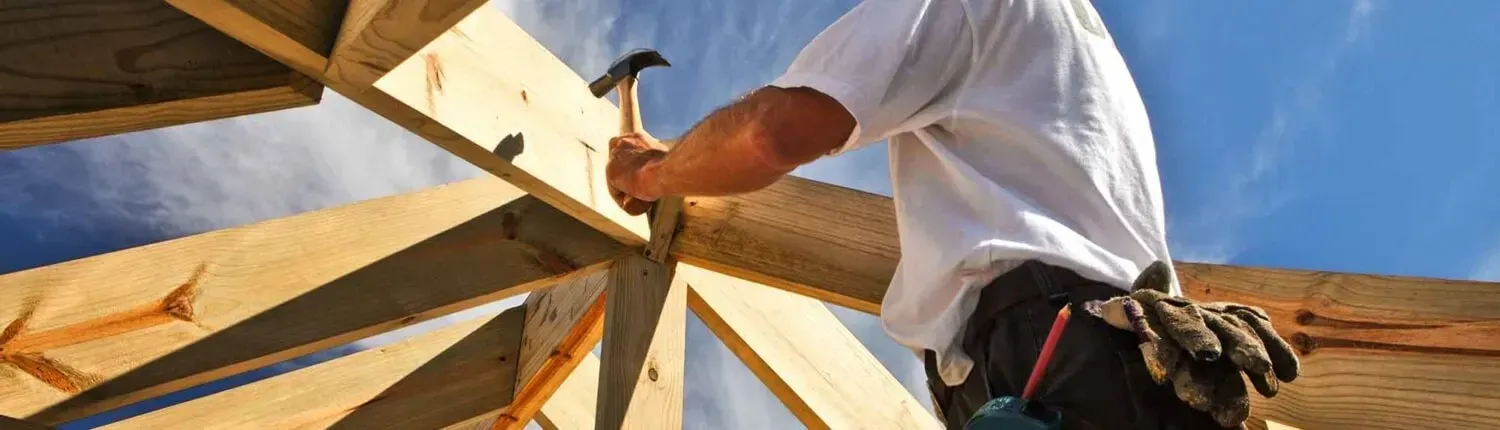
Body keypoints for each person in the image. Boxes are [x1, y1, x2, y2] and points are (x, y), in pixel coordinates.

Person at [604, 0, 1296, 428]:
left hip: (1049, 368)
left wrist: (654, 169)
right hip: (1125, 376)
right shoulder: (1078, 49)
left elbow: (770, 131)